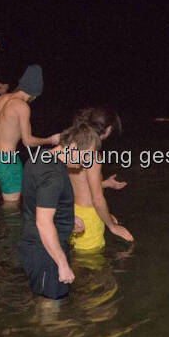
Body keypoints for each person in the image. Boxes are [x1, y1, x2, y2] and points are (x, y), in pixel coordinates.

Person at [18, 123, 99, 299]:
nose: (87, 161)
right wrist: (62, 264)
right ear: (73, 147)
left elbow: (39, 202)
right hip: (46, 252)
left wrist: (68, 217)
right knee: (51, 303)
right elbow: (43, 223)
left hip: (39, 245)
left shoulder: (41, 156)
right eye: (87, 156)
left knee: (49, 299)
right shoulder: (53, 176)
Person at [0, 65, 61, 202]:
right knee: (12, 207)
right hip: (7, 161)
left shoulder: (2, 98)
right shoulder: (22, 107)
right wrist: (50, 140)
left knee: (6, 199)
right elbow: (27, 141)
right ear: (35, 93)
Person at [67, 107, 133, 252]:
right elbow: (97, 199)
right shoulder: (93, 156)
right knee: (91, 260)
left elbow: (78, 183)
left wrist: (105, 184)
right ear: (108, 130)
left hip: (72, 212)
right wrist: (112, 226)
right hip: (88, 217)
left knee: (77, 255)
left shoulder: (72, 146)